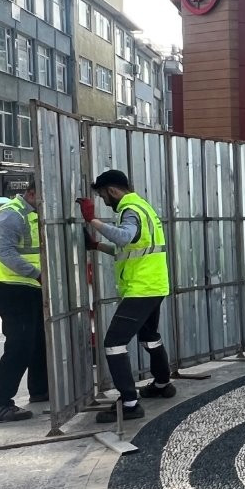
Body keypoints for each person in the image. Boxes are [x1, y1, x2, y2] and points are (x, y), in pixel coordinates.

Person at [79, 170, 174, 423]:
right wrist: (97, 245)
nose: (103, 201)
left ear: (111, 190)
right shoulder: (143, 206)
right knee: (149, 337)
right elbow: (130, 248)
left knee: (113, 343)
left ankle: (130, 404)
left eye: (102, 196)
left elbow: (124, 236)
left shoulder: (130, 209)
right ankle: (163, 384)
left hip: (141, 288)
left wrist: (93, 221)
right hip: (154, 285)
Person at [0, 183, 47, 422]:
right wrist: (38, 274)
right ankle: (0, 404)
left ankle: (40, 390)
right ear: (31, 193)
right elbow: (6, 253)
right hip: (12, 290)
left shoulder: (32, 213)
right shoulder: (12, 214)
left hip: (30, 289)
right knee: (19, 346)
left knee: (39, 341)